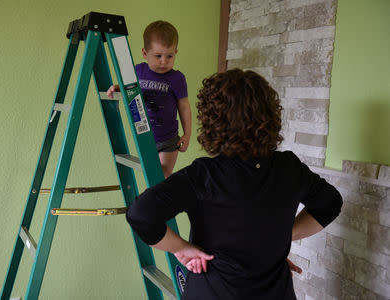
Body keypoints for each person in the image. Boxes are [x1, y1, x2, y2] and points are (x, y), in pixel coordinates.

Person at [126, 68, 343, 299]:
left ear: (212, 121)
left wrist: (181, 248)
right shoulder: (289, 168)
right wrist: (273, 240)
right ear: (270, 115)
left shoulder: (204, 175)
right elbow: (330, 203)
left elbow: (141, 214)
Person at [107, 20, 191, 178]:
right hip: (144, 136)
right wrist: (118, 87)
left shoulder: (177, 78)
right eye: (158, 56)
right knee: (150, 175)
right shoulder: (139, 70)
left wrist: (187, 134)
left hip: (168, 139)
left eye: (170, 56)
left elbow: (184, 106)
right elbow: (129, 88)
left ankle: (159, 200)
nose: (164, 61)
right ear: (145, 53)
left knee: (163, 175)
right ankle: (152, 200)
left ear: (176, 53)